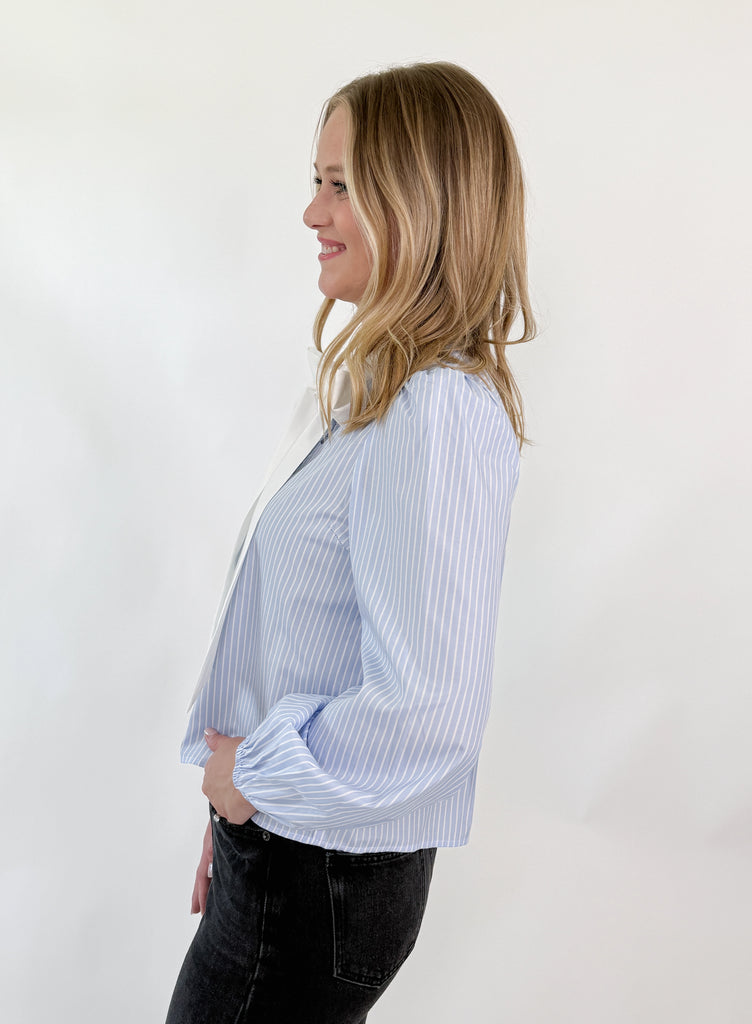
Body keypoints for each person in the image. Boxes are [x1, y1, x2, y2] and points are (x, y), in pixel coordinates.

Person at [165, 61, 535, 1024]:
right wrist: (242, 810)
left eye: (338, 184)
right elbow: (313, 635)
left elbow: (430, 710)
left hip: (313, 879)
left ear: (419, 199)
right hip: (292, 855)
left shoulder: (431, 411)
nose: (310, 212)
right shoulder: (382, 391)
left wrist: (254, 779)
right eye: (316, 180)